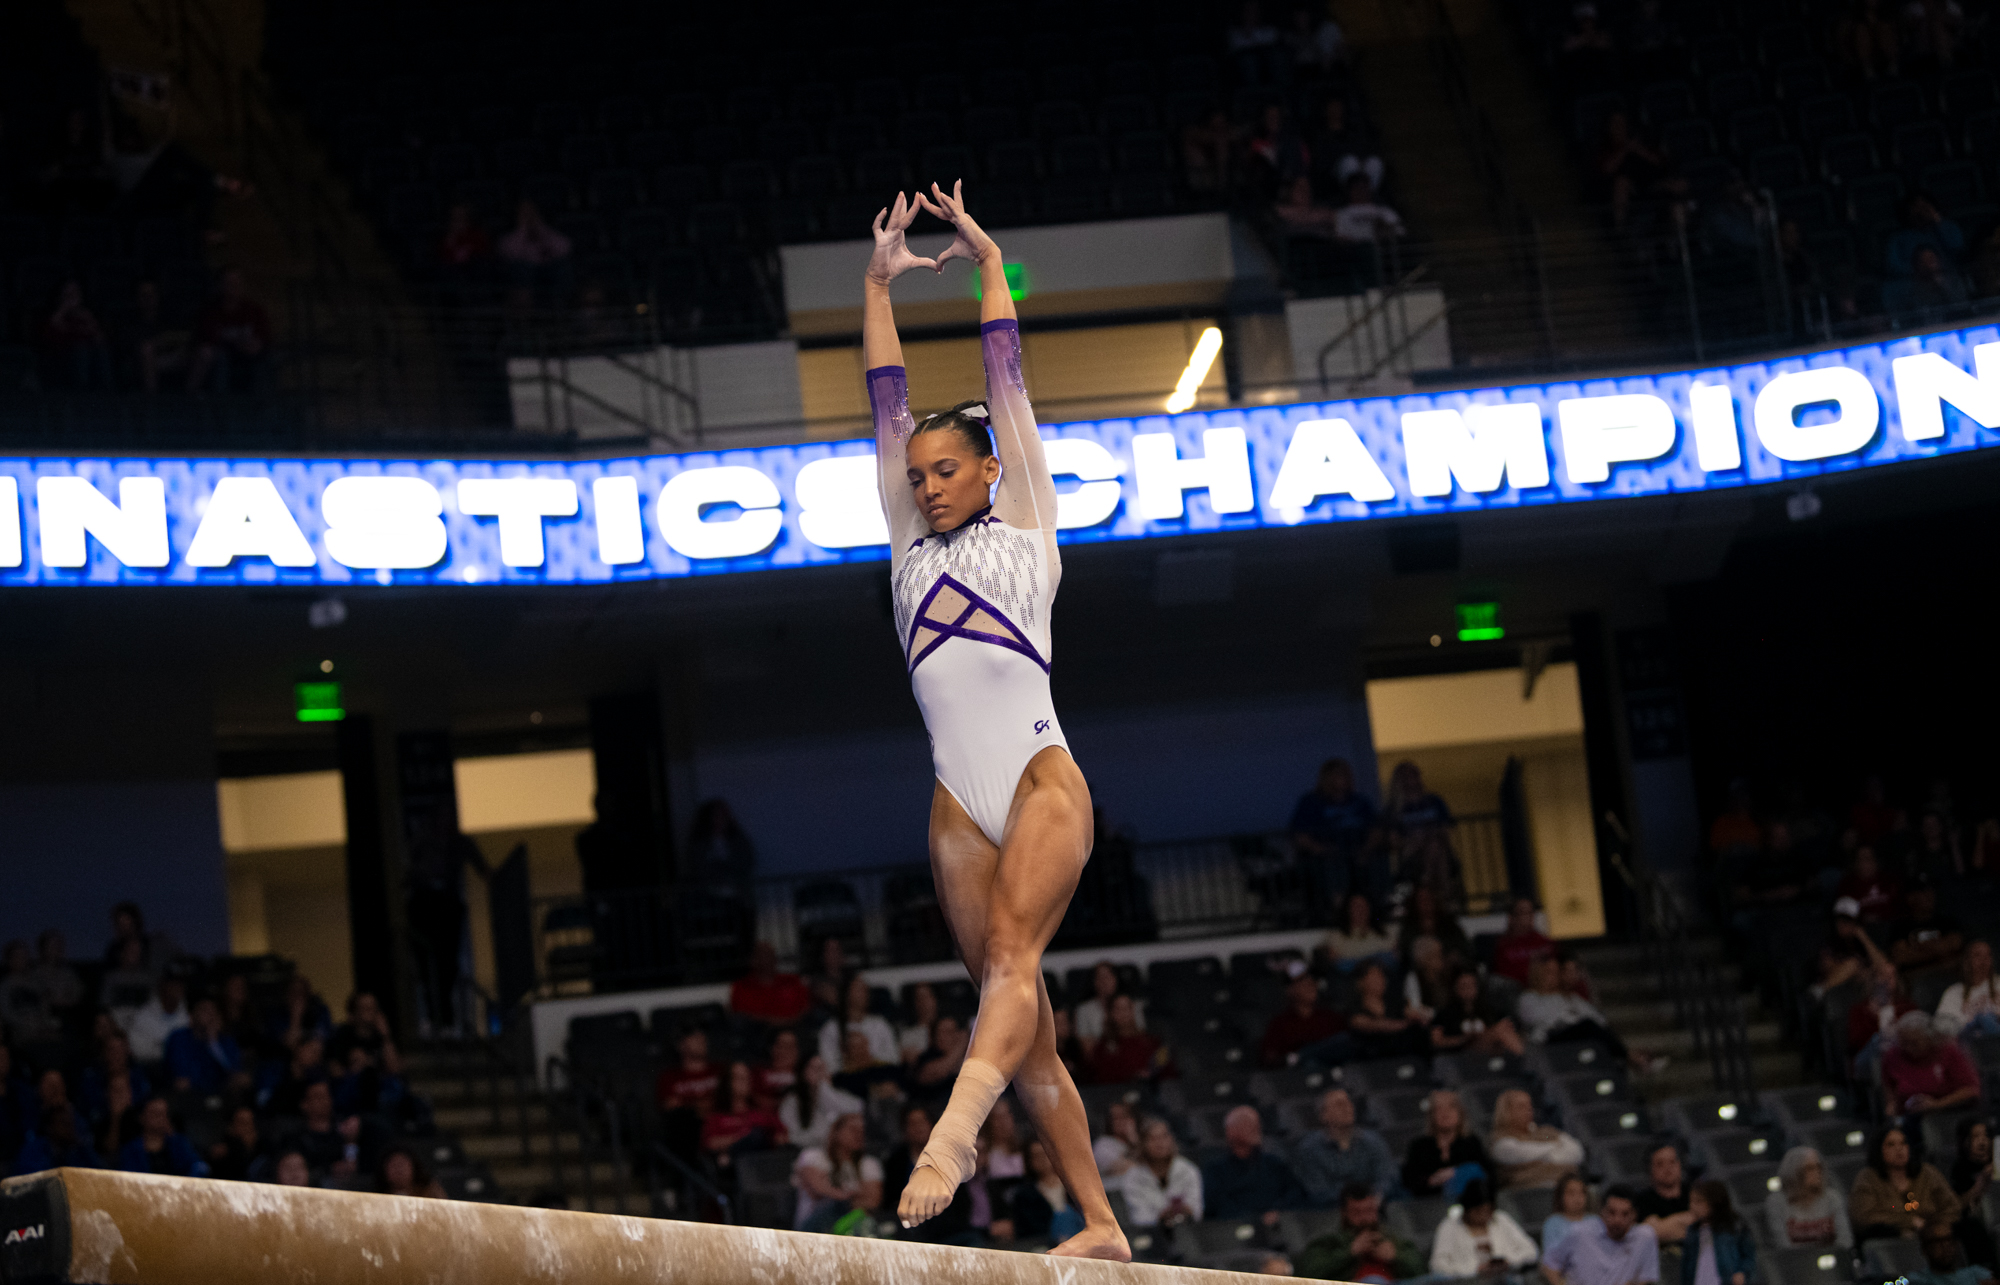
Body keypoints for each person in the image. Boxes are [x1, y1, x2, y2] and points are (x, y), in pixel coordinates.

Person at [864, 183, 1123, 1260]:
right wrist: (876, 283)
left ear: (986, 473)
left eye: (944, 470)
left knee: (1014, 959)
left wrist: (986, 266)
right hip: (955, 807)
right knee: (1019, 1028)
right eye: (915, 474)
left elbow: (1005, 377)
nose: (923, 485)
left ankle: (953, 1138)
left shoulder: (1027, 528)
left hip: (1036, 780)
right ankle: (1101, 1222)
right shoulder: (902, 551)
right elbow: (883, 392)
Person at [1519, 956, 1661, 1073]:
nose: (1553, 977)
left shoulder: (1569, 997)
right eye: (1548, 972)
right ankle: (1632, 1057)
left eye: (1555, 973)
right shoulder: (1529, 998)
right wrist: (1571, 1019)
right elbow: (1538, 1020)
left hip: (1579, 1037)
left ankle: (1628, 1060)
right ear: (1538, 974)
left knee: (1601, 1034)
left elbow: (1599, 1020)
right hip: (1550, 1040)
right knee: (1588, 1026)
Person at [1289, 757, 1379, 918]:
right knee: (1334, 862)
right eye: (1339, 774)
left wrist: (1366, 849)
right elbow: (1300, 835)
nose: (1345, 778)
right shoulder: (1311, 802)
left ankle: (1380, 904)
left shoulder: (1360, 801)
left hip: (1357, 849)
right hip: (1328, 852)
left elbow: (1375, 828)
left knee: (1379, 857)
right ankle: (1339, 909)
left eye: (1346, 774)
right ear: (1328, 778)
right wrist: (1322, 849)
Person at [1293, 1087, 1401, 1206]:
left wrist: (1373, 1197)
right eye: (1339, 1104)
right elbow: (1318, 1191)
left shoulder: (1373, 1141)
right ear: (1323, 1115)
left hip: (1373, 1205)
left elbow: (1386, 1177)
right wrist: (1355, 1200)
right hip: (1332, 1211)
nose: (1347, 1108)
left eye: (1349, 1102)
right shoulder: (1309, 1149)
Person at [1296, 1183, 1425, 1283]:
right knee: (1374, 1281)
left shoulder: (1394, 1238)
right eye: (1357, 1213)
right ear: (1344, 1214)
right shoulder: (1328, 1241)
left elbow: (1422, 1270)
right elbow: (1308, 1276)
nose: (1365, 1219)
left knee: (1439, 1278)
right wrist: (1350, 1252)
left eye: (1369, 1211)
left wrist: (1396, 1257)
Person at [1850, 1125, 1958, 1244]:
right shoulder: (1868, 1178)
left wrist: (1933, 1227)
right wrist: (1908, 1222)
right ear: (1878, 1150)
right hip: (1892, 1239)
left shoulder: (1927, 1173)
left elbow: (1952, 1207)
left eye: (1903, 1143)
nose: (1899, 1149)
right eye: (1891, 1144)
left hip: (1934, 1235)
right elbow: (1863, 1217)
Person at [1203, 1105, 1309, 1223]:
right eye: (1247, 1124)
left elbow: (1295, 1193)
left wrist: (1278, 1211)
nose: (1256, 1128)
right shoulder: (1215, 1171)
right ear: (1230, 1131)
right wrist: (1256, 1220)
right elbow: (1218, 1207)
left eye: (1257, 1124)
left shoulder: (1273, 1164)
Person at [1542, 1186, 1660, 1285]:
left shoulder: (1645, 1237)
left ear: (1634, 1216)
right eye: (1612, 1212)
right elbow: (1549, 1264)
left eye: (1625, 1214)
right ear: (1602, 1211)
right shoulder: (1580, 1232)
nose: (1617, 1220)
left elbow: (1647, 1279)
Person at [1430, 1177, 1541, 1278]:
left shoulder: (1501, 1219)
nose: (1483, 1217)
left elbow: (1531, 1251)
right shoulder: (1449, 1227)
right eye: (1478, 1212)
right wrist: (1474, 1270)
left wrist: (1508, 1262)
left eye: (1488, 1211)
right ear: (1468, 1209)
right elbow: (1438, 1266)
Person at [791, 1112, 882, 1233]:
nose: (859, 1135)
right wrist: (851, 1196)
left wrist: (840, 1195)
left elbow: (872, 1201)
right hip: (814, 1227)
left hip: (852, 1226)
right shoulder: (812, 1156)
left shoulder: (870, 1164)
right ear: (836, 1132)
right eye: (853, 1130)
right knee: (835, 1206)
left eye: (862, 1131)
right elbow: (817, 1190)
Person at [1880, 1011, 1980, 1121]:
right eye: (1904, 1043)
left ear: (1929, 1037)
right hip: (1909, 1117)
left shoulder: (1948, 1051)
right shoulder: (1893, 1055)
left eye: (1914, 1043)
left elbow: (1971, 1090)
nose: (1908, 1048)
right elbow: (1891, 1096)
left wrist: (1937, 1104)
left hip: (1950, 1114)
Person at [187, 268, 274, 393]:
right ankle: (219, 406)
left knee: (265, 360)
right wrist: (235, 344)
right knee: (219, 359)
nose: (234, 286)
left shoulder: (254, 310)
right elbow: (206, 340)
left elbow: (264, 338)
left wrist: (256, 345)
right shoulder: (210, 312)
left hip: (249, 357)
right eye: (229, 283)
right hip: (221, 358)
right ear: (220, 285)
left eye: (237, 282)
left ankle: (263, 407)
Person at [1401, 1089, 1489, 1201]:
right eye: (1439, 1109)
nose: (1445, 1113)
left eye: (1451, 1107)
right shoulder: (1419, 1146)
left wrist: (1455, 1173)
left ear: (1460, 1113)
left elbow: (1486, 1173)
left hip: (1469, 1201)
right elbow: (1410, 1179)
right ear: (1431, 1115)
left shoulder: (1471, 1142)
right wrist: (1433, 1180)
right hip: (1430, 1203)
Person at [1489, 1087, 1585, 1189]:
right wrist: (1556, 1147)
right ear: (1506, 1111)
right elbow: (1523, 1154)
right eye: (1521, 1106)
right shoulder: (1500, 1141)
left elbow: (1577, 1152)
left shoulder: (1546, 1133)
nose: (1529, 1109)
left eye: (1530, 1105)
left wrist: (1542, 1161)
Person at [1260, 960, 1348, 1067]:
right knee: (1311, 1063)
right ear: (1290, 990)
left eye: (1311, 978)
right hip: (1298, 1077)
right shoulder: (1280, 1023)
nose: (1309, 983)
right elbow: (1269, 1058)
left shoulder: (1331, 1016)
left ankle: (1301, 1056)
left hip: (1336, 1073)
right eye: (1301, 981)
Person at [1120, 1117, 1203, 1228]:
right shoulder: (1133, 1177)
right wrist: (1162, 1216)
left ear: (1171, 1139)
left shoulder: (1188, 1170)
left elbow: (1197, 1211)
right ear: (1143, 1143)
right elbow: (1138, 1217)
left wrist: (1184, 1210)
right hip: (1151, 1235)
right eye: (1153, 1138)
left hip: (1187, 1231)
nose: (1160, 1143)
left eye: (1164, 1137)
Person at [701, 1062, 786, 1169]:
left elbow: (783, 1137)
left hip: (762, 1167)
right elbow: (711, 1143)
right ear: (727, 1082)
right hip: (732, 1171)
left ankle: (730, 1157)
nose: (743, 1082)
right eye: (738, 1078)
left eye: (746, 1078)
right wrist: (741, 1137)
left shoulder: (763, 1113)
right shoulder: (717, 1117)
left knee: (757, 1135)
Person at [1766, 1146, 1854, 1248]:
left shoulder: (1832, 1198)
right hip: (1797, 1261)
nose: (1817, 1172)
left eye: (1819, 1167)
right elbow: (1783, 1244)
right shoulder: (1776, 1202)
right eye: (1810, 1168)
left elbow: (1845, 1239)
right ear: (1794, 1172)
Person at [1432, 966, 1528, 1057]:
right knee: (1500, 1030)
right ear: (1455, 988)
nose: (1468, 990)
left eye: (1471, 985)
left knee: (1505, 1026)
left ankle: (1522, 1062)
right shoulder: (1444, 1014)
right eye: (1464, 986)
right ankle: (1527, 1062)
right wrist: (1463, 1039)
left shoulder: (1486, 1010)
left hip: (1486, 1053)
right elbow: (1436, 1041)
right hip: (1461, 1054)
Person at [777, 1054, 863, 1153]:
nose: (818, 1072)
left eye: (821, 1068)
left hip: (832, 1150)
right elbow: (791, 1135)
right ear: (803, 1072)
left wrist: (825, 1088)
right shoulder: (792, 1101)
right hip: (803, 1151)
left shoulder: (836, 1095)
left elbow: (854, 1110)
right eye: (813, 1068)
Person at [163, 996, 247, 1097]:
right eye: (204, 1010)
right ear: (191, 1015)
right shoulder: (179, 1038)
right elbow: (181, 1074)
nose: (210, 1015)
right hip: (191, 1094)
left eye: (213, 1011)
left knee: (242, 1081)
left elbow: (234, 1070)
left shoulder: (225, 1040)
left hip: (221, 1092)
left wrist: (214, 1044)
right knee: (182, 1084)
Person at [497, 199, 574, 308]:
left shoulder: (546, 231)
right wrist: (523, 229)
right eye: (524, 213)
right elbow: (511, 254)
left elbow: (565, 247)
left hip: (548, 269)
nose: (529, 216)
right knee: (521, 269)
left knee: (563, 267)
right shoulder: (510, 237)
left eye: (531, 212)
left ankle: (561, 307)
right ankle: (525, 313)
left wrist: (540, 229)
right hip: (525, 272)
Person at [1010, 1139, 1087, 1245]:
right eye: (1037, 1155)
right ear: (1030, 1160)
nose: (1043, 1159)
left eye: (1045, 1153)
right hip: (1045, 1245)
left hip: (1080, 1238)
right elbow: (1027, 1230)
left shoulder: (1074, 1185)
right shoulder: (1025, 1195)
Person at [40, 280, 112, 390]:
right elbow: (47, 338)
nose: (72, 297)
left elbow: (100, 339)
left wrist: (89, 320)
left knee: (100, 352)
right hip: (60, 359)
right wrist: (63, 310)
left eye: (75, 293)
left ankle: (107, 393)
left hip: (89, 359)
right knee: (81, 350)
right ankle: (80, 394)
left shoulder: (86, 315)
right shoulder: (53, 315)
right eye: (68, 293)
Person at [817, 975, 899, 1070]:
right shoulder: (831, 1029)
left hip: (877, 1075)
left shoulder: (879, 1024)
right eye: (859, 989)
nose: (864, 993)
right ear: (846, 993)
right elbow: (828, 1063)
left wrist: (868, 1060)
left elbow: (893, 1057)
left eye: (866, 990)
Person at [1682, 1181, 1756, 1285]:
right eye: (1691, 1202)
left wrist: (1743, 1273)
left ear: (1714, 1202)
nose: (1693, 1206)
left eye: (1699, 1202)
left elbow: (1749, 1256)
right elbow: (1686, 1265)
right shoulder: (1692, 1231)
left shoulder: (1735, 1226)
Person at [117, 1096, 210, 1177]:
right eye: (155, 1113)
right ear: (142, 1117)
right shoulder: (131, 1149)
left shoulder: (179, 1144)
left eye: (163, 1113)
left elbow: (199, 1166)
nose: (161, 1118)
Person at [1085, 993, 1168, 1084]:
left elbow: (1166, 1070)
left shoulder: (1150, 1041)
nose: (1123, 1013)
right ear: (1111, 1014)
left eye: (1127, 1008)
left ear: (1132, 1011)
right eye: (1118, 1009)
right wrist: (1132, 1077)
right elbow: (1100, 1077)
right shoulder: (1103, 1047)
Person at [1891, 878, 1966, 974]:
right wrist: (1939, 950)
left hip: (1948, 975)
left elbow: (1956, 944)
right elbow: (1901, 956)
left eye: (1931, 890)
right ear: (1911, 897)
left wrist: (1919, 949)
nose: (1929, 895)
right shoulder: (1901, 927)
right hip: (1916, 979)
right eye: (1923, 891)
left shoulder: (1947, 922)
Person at [1634, 1144, 1694, 1264]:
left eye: (1672, 1162)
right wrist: (1687, 1220)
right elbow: (1652, 1233)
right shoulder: (1642, 1200)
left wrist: (1667, 1224)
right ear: (1650, 1169)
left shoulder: (1695, 1193)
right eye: (1660, 1164)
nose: (1668, 1168)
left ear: (1679, 1164)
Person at [1072, 962, 1144, 1055]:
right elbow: (1086, 1048)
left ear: (1116, 979)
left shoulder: (1132, 1004)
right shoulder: (1083, 1010)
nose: (1104, 982)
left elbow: (1141, 1037)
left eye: (1108, 977)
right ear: (1094, 982)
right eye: (1100, 977)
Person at [123, 972, 190, 1065]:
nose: (177, 989)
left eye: (180, 985)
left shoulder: (187, 1015)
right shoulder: (143, 1016)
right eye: (173, 985)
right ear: (162, 987)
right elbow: (137, 1050)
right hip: (153, 1068)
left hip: (182, 1067)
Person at [655, 1027, 721, 1117]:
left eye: (703, 1037)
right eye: (695, 1037)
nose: (702, 1040)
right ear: (680, 1044)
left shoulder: (720, 1070)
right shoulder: (669, 1077)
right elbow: (670, 1107)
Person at [1322, 893, 1397, 969]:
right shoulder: (1337, 936)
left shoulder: (1386, 931)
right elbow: (1335, 963)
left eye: (1364, 906)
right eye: (1356, 906)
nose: (1361, 910)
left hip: (1383, 973)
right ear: (1348, 910)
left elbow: (1394, 956)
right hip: (1353, 976)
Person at [1494, 898, 1556, 983]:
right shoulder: (1504, 946)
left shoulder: (1544, 942)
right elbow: (1504, 977)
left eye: (1530, 912)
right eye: (1523, 912)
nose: (1528, 916)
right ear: (1511, 917)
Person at [1836, 846, 1903, 924]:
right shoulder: (1847, 885)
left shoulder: (1889, 880)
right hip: (1860, 930)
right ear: (1855, 863)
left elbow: (1900, 910)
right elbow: (1844, 920)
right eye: (1861, 859)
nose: (1865, 863)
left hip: (1890, 928)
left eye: (1869, 858)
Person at [1911, 1224, 1994, 1285]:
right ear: (1925, 1249)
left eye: (1949, 1240)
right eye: (1938, 1242)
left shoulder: (1976, 1273)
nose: (1945, 1247)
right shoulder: (1918, 1279)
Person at [207, 1105, 271, 1183]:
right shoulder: (222, 1152)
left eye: (249, 1123)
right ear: (231, 1127)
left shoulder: (266, 1150)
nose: (246, 1128)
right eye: (241, 1123)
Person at [1545, 1172, 1598, 1256]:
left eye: (1581, 1193)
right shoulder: (1553, 1223)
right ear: (1560, 1196)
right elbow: (1551, 1256)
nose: (1577, 1198)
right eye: (1571, 1193)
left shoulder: (1595, 1221)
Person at [1093, 1099, 1142, 1178]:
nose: (1121, 1122)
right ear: (1109, 1122)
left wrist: (1134, 1141)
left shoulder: (1140, 1141)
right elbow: (1128, 1168)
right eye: (1116, 1118)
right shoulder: (1103, 1144)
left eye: (1125, 1117)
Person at [753, 1028, 801, 1108]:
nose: (784, 1052)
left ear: (798, 1051)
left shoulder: (804, 1075)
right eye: (780, 1046)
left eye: (789, 1047)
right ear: (772, 1048)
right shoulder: (758, 1073)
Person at [378, 1145, 445, 1199]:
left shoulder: (431, 1191)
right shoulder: (378, 1197)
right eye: (393, 1166)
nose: (399, 1170)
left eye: (402, 1164)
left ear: (413, 1167)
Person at [898, 983, 940, 1063]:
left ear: (935, 999)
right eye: (919, 998)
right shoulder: (908, 1034)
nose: (924, 1002)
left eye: (927, 997)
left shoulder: (950, 1028)